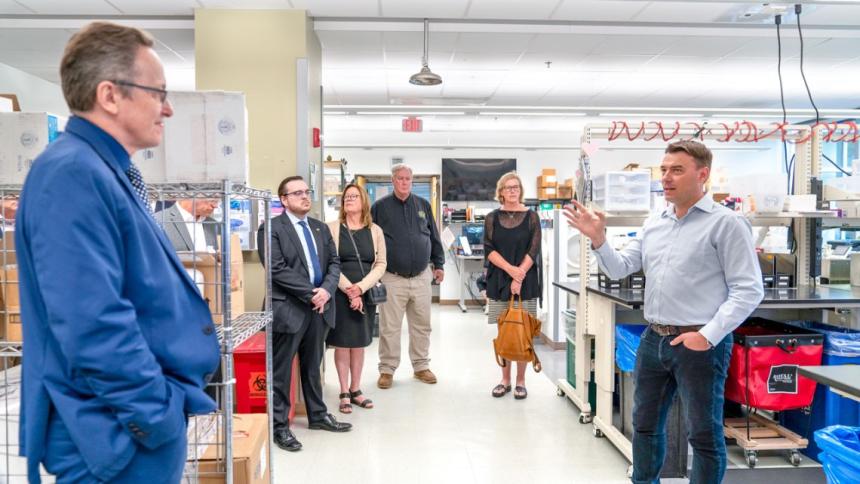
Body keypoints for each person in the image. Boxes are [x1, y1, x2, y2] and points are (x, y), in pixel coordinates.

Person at [14, 22, 220, 483]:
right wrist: (156, 416)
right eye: (157, 93)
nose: (166, 109)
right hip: (113, 436)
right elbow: (92, 322)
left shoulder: (106, 172)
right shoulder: (71, 174)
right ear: (110, 96)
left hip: (128, 428)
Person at [564, 140, 764, 484]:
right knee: (644, 426)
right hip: (654, 339)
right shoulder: (656, 220)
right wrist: (599, 239)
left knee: (702, 435)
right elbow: (620, 268)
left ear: (703, 174)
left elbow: (749, 290)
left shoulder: (727, 224)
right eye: (664, 170)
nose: (666, 178)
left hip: (699, 344)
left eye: (677, 170)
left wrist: (708, 335)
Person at [259, 175, 351, 453]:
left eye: (306, 191)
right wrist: (312, 292)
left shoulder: (320, 228)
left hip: (320, 310)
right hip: (289, 309)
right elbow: (275, 268)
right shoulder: (272, 228)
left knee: (313, 367)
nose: (304, 196)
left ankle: (318, 416)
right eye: (296, 193)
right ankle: (279, 427)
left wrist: (325, 290)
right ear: (284, 200)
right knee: (281, 370)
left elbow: (335, 263)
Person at [370, 163, 445, 389]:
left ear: (412, 181)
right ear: (393, 180)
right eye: (400, 178)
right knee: (390, 326)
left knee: (422, 325)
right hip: (392, 277)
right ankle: (387, 369)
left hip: (422, 276)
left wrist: (439, 264)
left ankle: (421, 366)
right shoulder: (379, 207)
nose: (404, 182)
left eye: (408, 179)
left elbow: (434, 236)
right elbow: (371, 239)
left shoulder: (422, 205)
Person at [326, 184, 387, 413]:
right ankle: (343, 391)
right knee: (342, 343)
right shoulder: (331, 229)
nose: (349, 199)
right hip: (340, 293)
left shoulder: (375, 231)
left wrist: (360, 289)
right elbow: (329, 262)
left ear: (363, 201)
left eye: (354, 196)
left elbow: (381, 264)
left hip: (366, 292)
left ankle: (356, 389)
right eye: (346, 197)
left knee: (359, 343)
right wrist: (349, 289)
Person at [484, 172, 542, 400]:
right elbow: (489, 250)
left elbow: (534, 250)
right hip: (500, 281)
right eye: (508, 187)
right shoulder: (491, 218)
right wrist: (511, 272)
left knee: (523, 332)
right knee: (505, 331)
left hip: (526, 281)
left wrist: (519, 276)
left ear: (520, 190)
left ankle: (521, 381)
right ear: (501, 192)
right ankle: (505, 380)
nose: (512, 191)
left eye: (515, 187)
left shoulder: (532, 217)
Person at [154, 198, 220, 252]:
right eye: (212, 200)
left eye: (217, 201)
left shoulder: (215, 225)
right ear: (189, 193)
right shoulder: (157, 221)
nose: (216, 206)